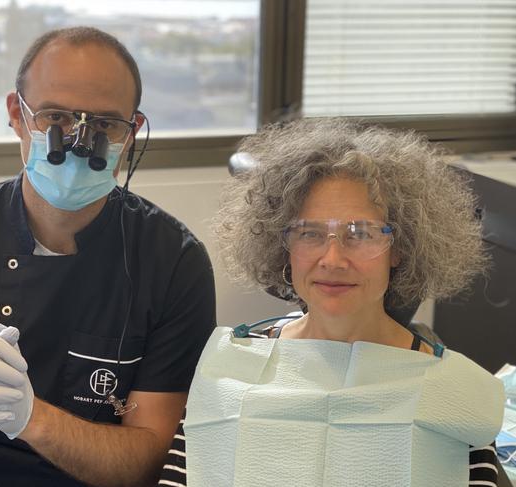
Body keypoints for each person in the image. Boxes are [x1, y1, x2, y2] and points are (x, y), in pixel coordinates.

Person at [0, 26, 216, 487]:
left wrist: (32, 417)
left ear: (131, 133)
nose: (78, 143)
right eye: (57, 118)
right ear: (17, 113)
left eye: (105, 124)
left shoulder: (174, 263)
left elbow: (149, 461)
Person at [159, 118, 505, 486]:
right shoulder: (231, 372)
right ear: (283, 246)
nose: (333, 259)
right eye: (310, 233)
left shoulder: (452, 393)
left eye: (361, 233)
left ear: (399, 249)